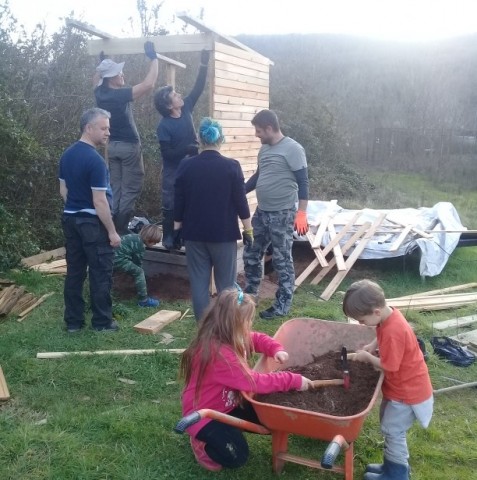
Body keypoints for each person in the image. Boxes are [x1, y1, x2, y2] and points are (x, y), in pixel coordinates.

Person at [179, 287, 312, 471]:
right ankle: (201, 443)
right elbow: (254, 382)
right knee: (237, 457)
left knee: (271, 421)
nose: (250, 324)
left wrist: (275, 349)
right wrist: (292, 380)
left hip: (229, 405)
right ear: (233, 323)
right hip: (205, 416)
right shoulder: (219, 355)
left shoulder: (232, 335)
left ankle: (227, 431)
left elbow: (255, 338)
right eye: (248, 320)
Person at [342, 279, 433, 480]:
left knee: (393, 432)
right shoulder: (389, 315)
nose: (360, 323)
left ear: (375, 312)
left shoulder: (394, 331)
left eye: (362, 320)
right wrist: (373, 346)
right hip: (403, 389)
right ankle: (390, 467)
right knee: (391, 428)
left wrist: (366, 357)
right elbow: (381, 330)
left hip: (408, 395)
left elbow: (390, 366)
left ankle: (397, 474)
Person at [173, 117, 253, 321]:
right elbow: (241, 202)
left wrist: (176, 230)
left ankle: (203, 327)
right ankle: (224, 326)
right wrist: (248, 230)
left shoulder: (186, 166)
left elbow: (179, 201)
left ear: (199, 139)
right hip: (224, 235)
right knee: (226, 285)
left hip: (194, 235)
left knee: (199, 283)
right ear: (221, 139)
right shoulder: (231, 167)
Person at [59, 108, 121, 333]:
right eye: (103, 128)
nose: (108, 133)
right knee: (100, 272)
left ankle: (73, 323)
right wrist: (112, 232)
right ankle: (102, 323)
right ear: (89, 128)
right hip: (92, 225)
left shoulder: (66, 155)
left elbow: (63, 191)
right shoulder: (95, 161)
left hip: (71, 220)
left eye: (109, 128)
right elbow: (100, 202)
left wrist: (75, 208)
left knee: (74, 272)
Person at [243, 109, 309, 320]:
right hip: (262, 212)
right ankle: (250, 296)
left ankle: (282, 305)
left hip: (283, 213)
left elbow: (303, 182)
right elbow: (259, 176)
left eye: (259, 130)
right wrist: (239, 191)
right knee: (251, 253)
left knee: (282, 260)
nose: (257, 135)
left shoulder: (293, 149)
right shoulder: (265, 151)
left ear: (270, 128)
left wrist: (302, 213)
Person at [94, 41, 159, 235]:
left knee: (116, 190)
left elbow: (96, 77)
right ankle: (120, 231)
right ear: (110, 79)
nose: (122, 75)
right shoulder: (119, 95)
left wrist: (103, 61)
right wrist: (153, 58)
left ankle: (109, 230)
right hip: (129, 147)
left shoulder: (99, 92)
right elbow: (149, 84)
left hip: (112, 147)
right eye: (118, 73)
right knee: (130, 190)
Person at [153, 49, 210, 249]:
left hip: (190, 167)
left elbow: (199, 87)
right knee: (170, 204)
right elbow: (167, 154)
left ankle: (185, 237)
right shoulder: (164, 126)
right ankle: (169, 238)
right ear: (170, 106)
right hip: (173, 171)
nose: (179, 96)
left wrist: (203, 63)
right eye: (175, 95)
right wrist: (187, 149)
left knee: (190, 203)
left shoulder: (186, 109)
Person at [113, 224, 162, 307]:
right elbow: (138, 264)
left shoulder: (134, 237)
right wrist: (142, 281)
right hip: (118, 259)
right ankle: (143, 300)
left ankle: (116, 290)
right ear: (149, 239)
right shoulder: (140, 246)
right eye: (154, 242)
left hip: (111, 258)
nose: (154, 244)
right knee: (139, 272)